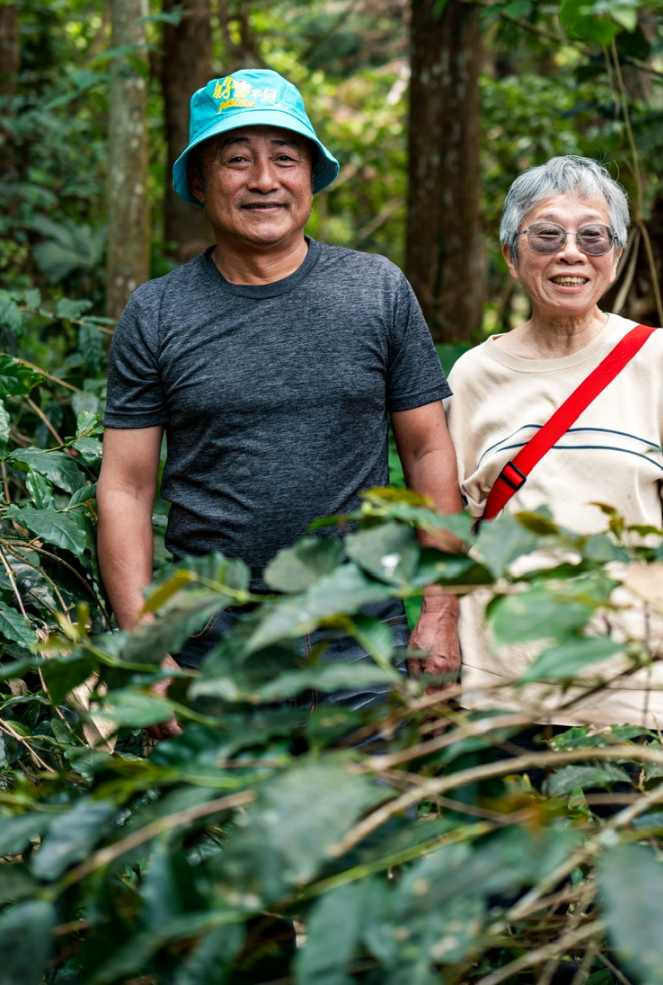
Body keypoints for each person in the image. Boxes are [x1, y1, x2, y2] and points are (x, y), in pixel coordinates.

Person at [97, 68, 462, 738]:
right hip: (212, 641)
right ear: (201, 182)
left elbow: (428, 449)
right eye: (237, 159)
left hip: (360, 638)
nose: (264, 179)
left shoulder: (377, 290)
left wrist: (439, 612)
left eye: (284, 158)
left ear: (310, 177)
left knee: (369, 837)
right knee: (221, 840)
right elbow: (126, 486)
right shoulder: (156, 312)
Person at [444, 155, 663, 749]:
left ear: (616, 257)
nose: (570, 253)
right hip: (501, 682)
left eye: (593, 236)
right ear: (511, 254)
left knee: (642, 841)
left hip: (633, 680)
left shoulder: (660, 359)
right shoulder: (474, 373)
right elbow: (449, 529)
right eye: (546, 234)